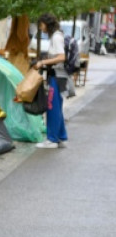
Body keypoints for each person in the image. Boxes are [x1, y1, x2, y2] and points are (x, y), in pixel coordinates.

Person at [34, 13, 69, 149]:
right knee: (56, 107)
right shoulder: (57, 36)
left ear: (47, 24)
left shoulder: (56, 37)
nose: (40, 27)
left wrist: (43, 62)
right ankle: (61, 137)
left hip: (57, 76)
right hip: (58, 76)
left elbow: (61, 57)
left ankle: (52, 140)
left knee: (52, 107)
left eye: (41, 24)